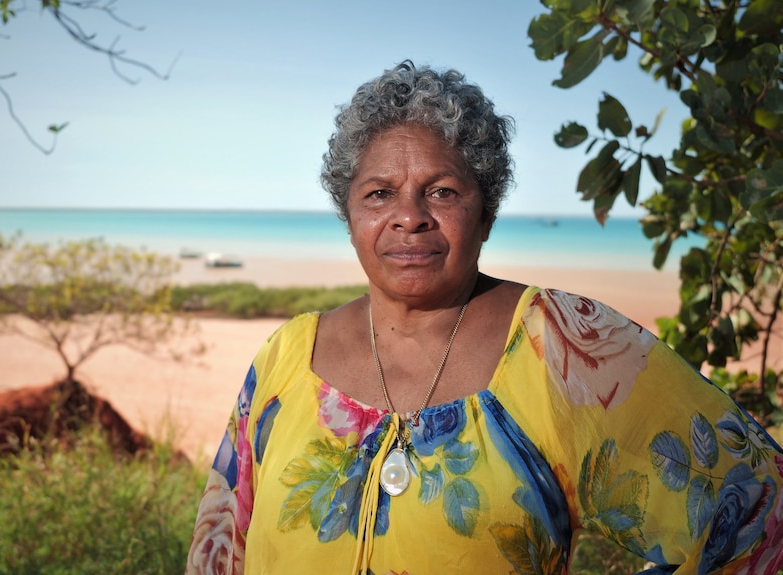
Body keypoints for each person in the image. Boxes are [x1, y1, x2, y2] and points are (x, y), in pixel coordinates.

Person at [186, 61, 783, 575]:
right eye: (378, 194)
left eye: (441, 191)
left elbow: (760, 507)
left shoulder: (564, 343)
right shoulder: (288, 355)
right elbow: (220, 549)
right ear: (350, 217)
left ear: (486, 213)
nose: (409, 217)